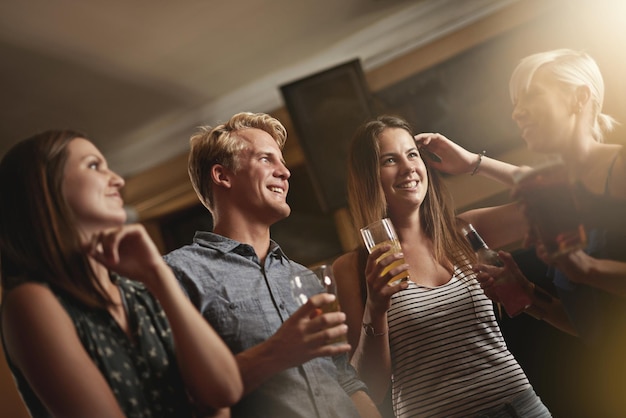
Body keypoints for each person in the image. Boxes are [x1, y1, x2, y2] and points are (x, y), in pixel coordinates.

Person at [415, 48, 626, 415]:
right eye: (515, 103)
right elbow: (592, 326)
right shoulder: (561, 196)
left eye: (531, 96)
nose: (516, 112)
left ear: (579, 98)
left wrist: (585, 270)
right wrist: (527, 295)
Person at [0, 130, 243, 418]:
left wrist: (158, 275)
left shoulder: (140, 291)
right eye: (93, 165)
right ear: (43, 189)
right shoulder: (32, 301)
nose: (118, 180)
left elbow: (225, 390)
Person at [163, 112, 381, 418]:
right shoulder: (177, 274)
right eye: (267, 160)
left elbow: (343, 376)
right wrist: (277, 352)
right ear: (222, 176)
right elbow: (178, 391)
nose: (285, 173)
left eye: (282, 162)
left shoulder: (304, 277)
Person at [332, 115, 551, 418]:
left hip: (518, 408)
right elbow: (369, 387)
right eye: (390, 160)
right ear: (369, 177)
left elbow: (555, 197)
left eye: (412, 154)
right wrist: (376, 308)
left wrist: (473, 162)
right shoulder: (353, 268)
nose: (408, 167)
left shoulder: (465, 231)